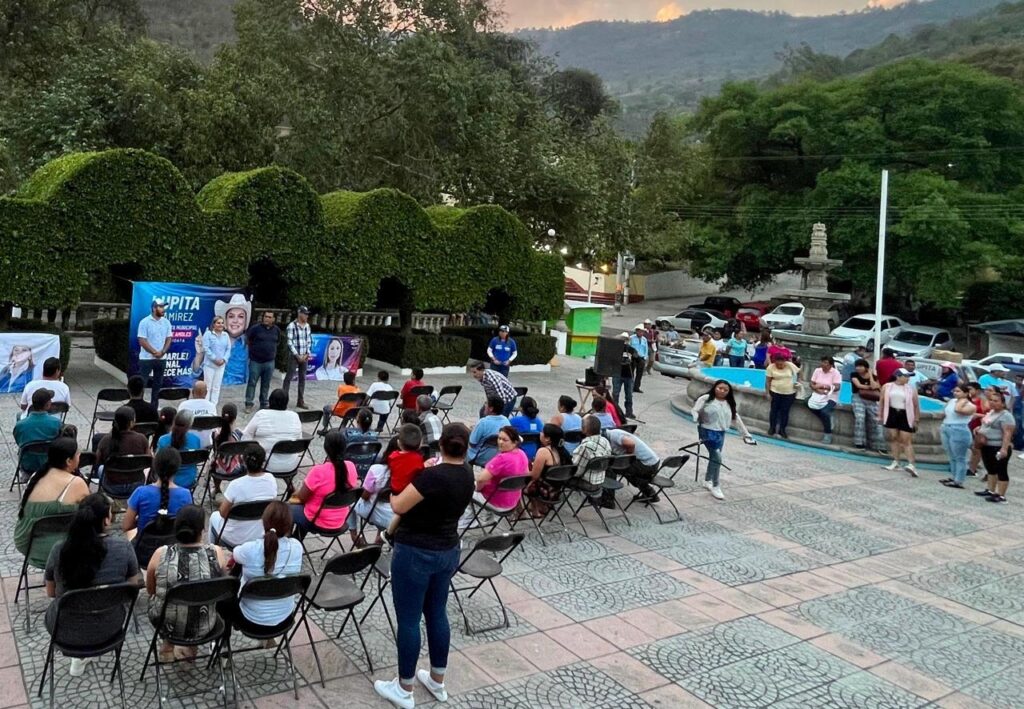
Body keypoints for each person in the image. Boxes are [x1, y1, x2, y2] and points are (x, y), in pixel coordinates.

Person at [373, 423, 474, 708]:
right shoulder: (468, 474)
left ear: (440, 445)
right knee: (437, 613)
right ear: (465, 447)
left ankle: (404, 688)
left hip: (416, 552)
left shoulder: (432, 477)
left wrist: (393, 493)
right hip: (447, 550)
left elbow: (399, 506)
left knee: (408, 619)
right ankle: (437, 680)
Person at [44, 494, 140, 676]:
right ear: (106, 520)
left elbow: (51, 592)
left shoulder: (59, 549)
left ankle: (78, 658)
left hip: (65, 630)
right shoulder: (123, 547)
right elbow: (132, 588)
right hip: (110, 628)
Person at [147, 505, 228, 661]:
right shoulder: (216, 552)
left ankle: (169, 642)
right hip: (205, 625)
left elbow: (151, 590)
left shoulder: (160, 554)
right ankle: (190, 646)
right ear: (202, 530)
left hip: (165, 625)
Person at [221, 502, 303, 634]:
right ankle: (269, 639)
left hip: (250, 621)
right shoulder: (297, 547)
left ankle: (224, 639)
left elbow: (234, 555)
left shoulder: (250, 549)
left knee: (222, 597)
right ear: (289, 526)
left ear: (263, 522)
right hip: (284, 619)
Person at [15, 438, 90, 570]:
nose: (80, 457)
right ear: (68, 461)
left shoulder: (36, 476)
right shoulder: (76, 483)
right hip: (65, 551)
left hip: (30, 546)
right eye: (78, 455)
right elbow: (93, 511)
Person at [289, 429, 358, 539]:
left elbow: (302, 498)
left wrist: (294, 494)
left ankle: (291, 544)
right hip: (340, 520)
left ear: (325, 448)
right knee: (308, 507)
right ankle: (297, 538)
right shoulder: (351, 466)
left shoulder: (318, 471)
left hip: (318, 521)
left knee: (286, 508)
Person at [692, 380, 755, 500]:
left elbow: (736, 418)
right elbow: (695, 410)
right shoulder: (706, 399)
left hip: (721, 433)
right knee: (717, 457)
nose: (722, 391)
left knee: (714, 457)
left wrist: (745, 434)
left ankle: (708, 480)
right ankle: (716, 485)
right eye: (720, 388)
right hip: (707, 431)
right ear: (715, 387)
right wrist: (695, 417)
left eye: (725, 390)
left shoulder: (729, 403)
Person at [208, 446, 278, 547]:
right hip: (259, 535)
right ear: (263, 462)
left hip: (233, 538)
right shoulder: (271, 479)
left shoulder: (236, 484)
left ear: (243, 462)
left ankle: (213, 550)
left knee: (214, 516)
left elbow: (223, 513)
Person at [460, 426, 528, 529]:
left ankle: (467, 521)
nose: (500, 442)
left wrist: (477, 489)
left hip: (497, 501)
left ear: (514, 442)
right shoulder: (522, 454)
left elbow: (481, 479)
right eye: (499, 438)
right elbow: (526, 474)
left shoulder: (501, 459)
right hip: (513, 501)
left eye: (504, 440)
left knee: (466, 489)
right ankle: (488, 518)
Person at [123, 447, 192, 541]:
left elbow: (126, 526)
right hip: (172, 546)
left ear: (155, 467)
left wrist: (141, 521)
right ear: (177, 468)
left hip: (144, 546)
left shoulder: (140, 492)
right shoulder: (186, 495)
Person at [241, 388, 303, 477]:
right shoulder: (294, 416)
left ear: (270, 401)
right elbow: (299, 441)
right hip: (292, 464)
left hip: (265, 464)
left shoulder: (261, 414)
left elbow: (245, 437)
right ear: (286, 402)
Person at [974, 391, 1016, 503]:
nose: (992, 403)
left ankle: (1001, 495)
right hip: (987, 445)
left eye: (996, 401)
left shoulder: (1006, 416)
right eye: (991, 400)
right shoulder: (991, 412)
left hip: (998, 446)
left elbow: (1007, 433)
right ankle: (991, 490)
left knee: (1001, 470)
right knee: (990, 469)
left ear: (1003, 403)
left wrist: (1004, 448)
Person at [880, 368, 922, 477]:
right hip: (892, 412)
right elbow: (882, 401)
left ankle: (911, 464)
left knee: (906, 440)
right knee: (893, 437)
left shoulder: (911, 389)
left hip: (905, 414)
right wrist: (880, 415)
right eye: (905, 376)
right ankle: (896, 461)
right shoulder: (887, 386)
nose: (908, 378)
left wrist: (916, 419)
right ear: (898, 376)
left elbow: (916, 405)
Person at [605, 428, 662, 504]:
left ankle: (607, 500)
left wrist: (628, 458)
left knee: (612, 467)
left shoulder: (614, 435)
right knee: (624, 469)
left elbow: (631, 444)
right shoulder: (611, 434)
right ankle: (650, 493)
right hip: (651, 462)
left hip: (648, 464)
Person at [13, 388, 63, 476]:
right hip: (50, 464)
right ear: (48, 404)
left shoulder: (20, 425)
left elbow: (19, 442)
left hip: (28, 465)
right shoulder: (56, 423)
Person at [526, 424, 571, 515]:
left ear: (547, 438)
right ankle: (537, 506)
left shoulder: (543, 451)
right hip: (556, 491)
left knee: (517, 481)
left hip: (544, 492)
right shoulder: (561, 451)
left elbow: (534, 476)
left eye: (542, 432)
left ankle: (533, 509)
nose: (540, 433)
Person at [938, 385, 977, 490]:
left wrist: (963, 401)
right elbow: (945, 413)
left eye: (958, 391)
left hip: (959, 429)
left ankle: (959, 480)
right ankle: (954, 476)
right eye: (954, 391)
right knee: (951, 454)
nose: (955, 393)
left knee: (960, 457)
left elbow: (958, 410)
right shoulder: (952, 401)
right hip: (947, 427)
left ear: (965, 393)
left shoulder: (970, 405)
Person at [137, 298, 173, 405]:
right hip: (146, 358)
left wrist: (163, 352)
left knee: (158, 384)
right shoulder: (144, 322)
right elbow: (142, 340)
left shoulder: (166, 322)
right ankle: (139, 405)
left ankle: (154, 407)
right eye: (160, 307)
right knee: (142, 383)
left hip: (161, 358)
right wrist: (154, 352)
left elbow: (169, 338)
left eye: (163, 307)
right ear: (154, 308)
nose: (163, 309)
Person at [349, 461, 394, 546]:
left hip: (376, 514)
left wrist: (359, 487)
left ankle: (354, 536)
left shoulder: (376, 469)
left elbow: (365, 496)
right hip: (393, 516)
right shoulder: (403, 470)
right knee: (380, 503)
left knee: (350, 502)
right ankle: (379, 539)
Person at [571, 415, 613, 506]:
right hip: (600, 481)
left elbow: (576, 472)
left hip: (588, 484)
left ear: (584, 430)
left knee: (558, 477)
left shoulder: (585, 447)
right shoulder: (605, 441)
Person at [245, 311, 280, 413]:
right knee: (252, 383)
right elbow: (248, 340)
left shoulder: (276, 330)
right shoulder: (255, 329)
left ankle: (264, 403)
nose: (266, 318)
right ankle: (249, 403)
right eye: (265, 316)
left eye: (269, 317)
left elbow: (278, 342)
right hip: (256, 361)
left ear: (273, 319)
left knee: (266, 384)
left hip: (269, 362)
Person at [96, 406, 151, 472]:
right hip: (136, 477)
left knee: (100, 468)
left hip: (112, 477)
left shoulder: (106, 440)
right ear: (131, 423)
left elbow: (96, 461)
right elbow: (149, 460)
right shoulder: (142, 439)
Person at [156, 410, 202, 489]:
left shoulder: (163, 440)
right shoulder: (195, 439)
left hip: (165, 479)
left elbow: (157, 461)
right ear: (190, 425)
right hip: (188, 479)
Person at [213, 293, 251, 387]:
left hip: (241, 389)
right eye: (231, 316)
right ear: (225, 321)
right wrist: (200, 353)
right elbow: (196, 372)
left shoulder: (251, 343)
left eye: (240, 316)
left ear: (246, 321)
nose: (235, 321)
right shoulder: (214, 340)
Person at [195, 315, 231, 405]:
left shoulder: (226, 335)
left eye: (222, 323)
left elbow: (228, 349)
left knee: (216, 387)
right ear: (214, 324)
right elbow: (206, 348)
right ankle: (206, 405)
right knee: (207, 386)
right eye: (218, 323)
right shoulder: (208, 334)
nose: (221, 325)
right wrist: (215, 359)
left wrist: (224, 359)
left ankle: (213, 405)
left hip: (221, 365)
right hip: (210, 365)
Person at [850, 359, 884, 452]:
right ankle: (859, 442)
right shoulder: (854, 375)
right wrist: (870, 387)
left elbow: (876, 386)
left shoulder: (874, 377)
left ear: (866, 367)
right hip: (858, 397)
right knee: (860, 417)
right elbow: (859, 385)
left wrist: (870, 375)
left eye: (861, 366)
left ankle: (879, 445)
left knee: (876, 420)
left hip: (871, 399)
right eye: (857, 366)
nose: (858, 368)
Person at [282, 306, 312, 409]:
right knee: (289, 377)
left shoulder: (307, 326)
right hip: (294, 356)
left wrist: (307, 354)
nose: (307, 316)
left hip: (304, 356)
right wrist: (297, 355)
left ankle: (300, 400)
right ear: (300, 314)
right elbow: (289, 342)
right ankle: (284, 400)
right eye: (305, 314)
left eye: (307, 314)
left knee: (302, 378)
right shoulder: (292, 326)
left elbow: (309, 341)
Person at [809, 355, 842, 444]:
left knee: (824, 412)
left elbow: (837, 387)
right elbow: (812, 384)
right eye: (822, 362)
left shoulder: (835, 373)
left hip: (830, 397)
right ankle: (827, 419)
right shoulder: (817, 370)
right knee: (806, 402)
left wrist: (824, 387)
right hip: (817, 394)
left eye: (826, 363)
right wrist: (818, 390)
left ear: (830, 365)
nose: (823, 364)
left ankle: (828, 433)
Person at [468, 396, 511, 466]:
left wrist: (472, 431)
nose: (485, 405)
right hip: (497, 457)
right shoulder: (506, 421)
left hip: (479, 456)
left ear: (491, 408)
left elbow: (472, 443)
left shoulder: (483, 422)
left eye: (486, 403)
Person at [765, 354, 800, 439]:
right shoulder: (770, 367)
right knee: (774, 410)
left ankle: (782, 429)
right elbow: (768, 381)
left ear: (785, 362)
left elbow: (799, 372)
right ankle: (772, 428)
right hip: (775, 391)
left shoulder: (790, 365)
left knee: (785, 411)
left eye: (781, 364)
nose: (780, 366)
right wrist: (767, 393)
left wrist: (797, 383)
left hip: (789, 393)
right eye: (778, 364)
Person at [177, 381, 216, 447]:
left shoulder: (183, 405)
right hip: (206, 444)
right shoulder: (211, 406)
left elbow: (177, 426)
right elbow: (214, 428)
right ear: (206, 393)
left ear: (192, 392)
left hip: (187, 443)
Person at [611, 333, 636, 419]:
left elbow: (638, 359)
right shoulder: (616, 350)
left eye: (626, 339)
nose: (624, 341)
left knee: (629, 395)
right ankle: (615, 411)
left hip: (629, 375)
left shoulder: (632, 350)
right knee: (615, 394)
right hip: (617, 374)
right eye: (623, 339)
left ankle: (629, 412)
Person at [629, 324, 649, 393]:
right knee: (631, 372)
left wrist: (645, 357)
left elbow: (646, 349)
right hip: (633, 357)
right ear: (636, 331)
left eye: (642, 332)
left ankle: (636, 387)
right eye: (640, 331)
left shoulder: (644, 339)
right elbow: (629, 347)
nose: (641, 333)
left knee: (639, 373)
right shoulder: (631, 338)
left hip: (641, 357)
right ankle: (630, 386)